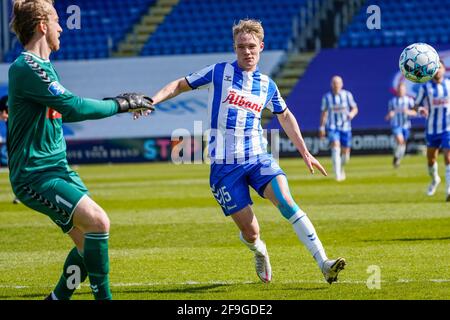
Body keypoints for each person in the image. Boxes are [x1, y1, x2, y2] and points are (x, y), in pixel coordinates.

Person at [137, 19, 346, 284]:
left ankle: (324, 263)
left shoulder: (267, 85)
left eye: (251, 46)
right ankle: (259, 250)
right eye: (240, 47)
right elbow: (180, 84)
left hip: (258, 157)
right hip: (224, 166)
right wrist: (151, 101)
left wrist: (304, 152)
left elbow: (285, 116)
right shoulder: (218, 72)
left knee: (286, 201)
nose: (246, 52)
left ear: (261, 47)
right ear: (235, 49)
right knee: (251, 232)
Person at [8, 0, 153, 300]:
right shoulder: (26, 67)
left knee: (88, 245)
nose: (63, 27)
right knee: (99, 222)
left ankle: (56, 298)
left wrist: (118, 104)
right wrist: (121, 104)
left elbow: (68, 109)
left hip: (56, 170)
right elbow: (72, 106)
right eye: (57, 20)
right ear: (42, 26)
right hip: (35, 175)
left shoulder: (43, 68)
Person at [414, 59, 450, 201]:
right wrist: (420, 109)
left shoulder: (449, 84)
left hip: (448, 128)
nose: (438, 70)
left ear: (444, 69)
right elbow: (415, 105)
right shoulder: (425, 87)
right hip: (432, 128)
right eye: (435, 68)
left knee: (448, 157)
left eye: (440, 68)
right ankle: (435, 179)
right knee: (431, 159)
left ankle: (448, 190)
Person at [319, 76, 358, 181]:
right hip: (332, 127)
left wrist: (351, 114)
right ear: (331, 85)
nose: (336, 85)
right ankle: (337, 175)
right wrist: (322, 127)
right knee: (335, 147)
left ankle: (341, 168)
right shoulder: (327, 97)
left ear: (342, 84)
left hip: (346, 127)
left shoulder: (347, 95)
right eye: (334, 83)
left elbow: (355, 108)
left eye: (338, 83)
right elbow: (324, 113)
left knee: (346, 154)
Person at [385, 82, 417, 168]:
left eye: (402, 89)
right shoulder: (392, 101)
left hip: (406, 125)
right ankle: (397, 156)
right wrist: (390, 115)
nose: (401, 91)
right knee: (400, 141)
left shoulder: (409, 100)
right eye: (399, 89)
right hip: (396, 125)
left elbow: (415, 112)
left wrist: (408, 112)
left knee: (402, 145)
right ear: (397, 90)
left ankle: (397, 158)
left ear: (405, 90)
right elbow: (388, 115)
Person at [0, 95, 21, 204]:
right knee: (14, 167)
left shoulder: (18, 97)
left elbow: (3, 115)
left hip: (20, 137)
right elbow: (3, 115)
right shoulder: (7, 98)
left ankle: (21, 194)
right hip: (13, 137)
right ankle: (19, 194)